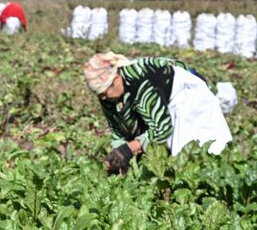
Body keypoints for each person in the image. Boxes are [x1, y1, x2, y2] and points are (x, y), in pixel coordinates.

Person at [84, 51, 231, 175]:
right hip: (162, 100)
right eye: (98, 94)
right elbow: (118, 128)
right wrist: (117, 154)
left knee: (191, 153)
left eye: (104, 92)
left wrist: (129, 149)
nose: (102, 98)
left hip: (187, 94)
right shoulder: (108, 95)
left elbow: (162, 129)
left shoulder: (141, 81)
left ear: (116, 78)